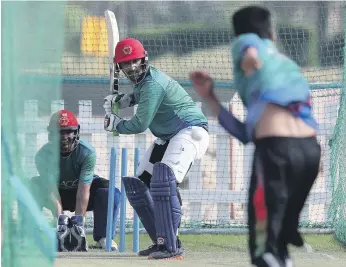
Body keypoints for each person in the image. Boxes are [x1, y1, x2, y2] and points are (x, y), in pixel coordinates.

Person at [189, 6, 321, 267]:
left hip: (276, 152)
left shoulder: (246, 43)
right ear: (272, 33)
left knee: (262, 251)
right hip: (310, 153)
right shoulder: (287, 65)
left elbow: (250, 50)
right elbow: (244, 134)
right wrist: (210, 98)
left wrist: (251, 61)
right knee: (278, 247)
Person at [103, 37, 210, 260]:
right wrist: (123, 100)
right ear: (120, 67)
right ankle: (161, 240)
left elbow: (140, 124)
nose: (131, 67)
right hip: (168, 136)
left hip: (189, 131)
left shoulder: (153, 84)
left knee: (163, 180)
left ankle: (171, 246)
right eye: (126, 63)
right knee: (140, 183)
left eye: (135, 61)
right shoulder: (144, 83)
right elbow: (140, 95)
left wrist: (117, 124)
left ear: (144, 59)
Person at [31, 110, 121, 252]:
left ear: (76, 132)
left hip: (83, 192)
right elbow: (51, 191)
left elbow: (84, 189)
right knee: (32, 186)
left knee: (110, 191)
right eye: (59, 132)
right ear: (51, 134)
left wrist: (79, 223)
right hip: (57, 193)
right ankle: (31, 236)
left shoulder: (87, 152)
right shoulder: (42, 156)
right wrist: (61, 222)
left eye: (68, 132)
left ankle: (103, 237)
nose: (64, 137)